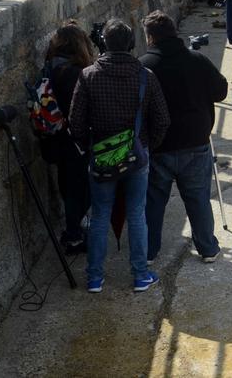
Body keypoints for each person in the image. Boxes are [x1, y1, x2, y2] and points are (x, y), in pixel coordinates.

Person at [68, 20, 171, 294]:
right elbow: (162, 119)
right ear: (131, 44)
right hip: (137, 154)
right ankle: (140, 276)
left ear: (103, 44)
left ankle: (94, 278)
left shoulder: (88, 75)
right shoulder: (145, 76)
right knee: (137, 215)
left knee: (100, 214)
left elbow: (75, 123)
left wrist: (90, 148)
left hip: (101, 156)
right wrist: (146, 145)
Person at [138, 12, 227, 265]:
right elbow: (220, 91)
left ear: (150, 37)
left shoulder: (144, 65)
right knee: (198, 198)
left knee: (154, 202)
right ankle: (208, 248)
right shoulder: (196, 60)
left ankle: (149, 252)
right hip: (195, 141)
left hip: (159, 145)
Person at [42, 21, 94, 253]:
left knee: (67, 185)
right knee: (79, 189)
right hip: (76, 140)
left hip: (54, 138)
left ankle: (74, 229)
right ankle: (75, 235)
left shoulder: (49, 68)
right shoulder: (75, 73)